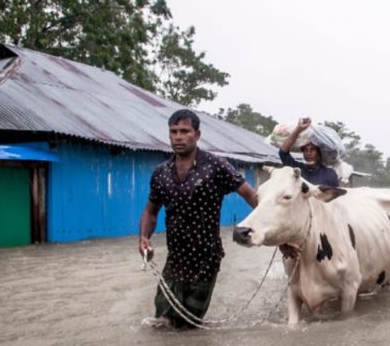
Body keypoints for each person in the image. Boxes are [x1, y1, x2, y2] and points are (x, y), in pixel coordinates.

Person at [139, 109, 258, 329]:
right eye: (174, 131)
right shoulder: (161, 172)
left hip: (205, 261)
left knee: (187, 328)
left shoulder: (216, 166)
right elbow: (150, 211)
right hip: (174, 262)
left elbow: (250, 195)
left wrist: (274, 229)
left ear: (197, 134)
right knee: (160, 323)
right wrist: (144, 238)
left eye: (184, 131)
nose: (178, 136)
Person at [278, 117, 339, 187]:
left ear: (319, 152)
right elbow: (282, 153)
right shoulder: (297, 169)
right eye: (305, 150)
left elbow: (336, 196)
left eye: (312, 149)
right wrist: (299, 129)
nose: (308, 153)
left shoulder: (330, 174)